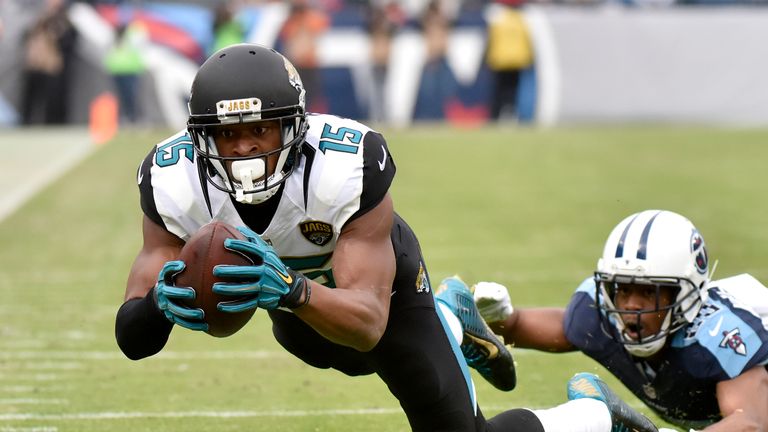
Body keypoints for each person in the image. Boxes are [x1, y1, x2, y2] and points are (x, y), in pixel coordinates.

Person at [114, 43, 659, 432]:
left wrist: (289, 289)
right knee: (338, 356)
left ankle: (591, 413)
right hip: (299, 316)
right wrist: (160, 305)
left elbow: (369, 326)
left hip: (382, 294)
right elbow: (132, 338)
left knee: (422, 392)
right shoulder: (172, 179)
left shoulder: (345, 164)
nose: (244, 150)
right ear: (201, 138)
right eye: (228, 135)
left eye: (260, 130)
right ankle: (455, 317)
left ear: (294, 127)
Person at [470, 209, 768, 431]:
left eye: (648, 293)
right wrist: (500, 317)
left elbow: (751, 422)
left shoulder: (720, 335)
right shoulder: (600, 316)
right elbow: (530, 328)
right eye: (622, 289)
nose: (631, 307)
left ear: (686, 295)